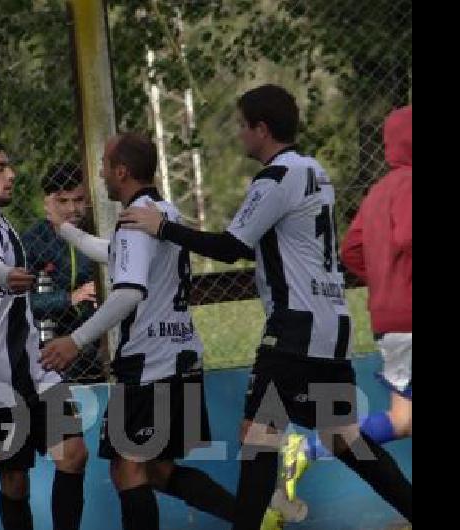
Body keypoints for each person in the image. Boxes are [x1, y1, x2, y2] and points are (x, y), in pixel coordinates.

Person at [116, 84, 412, 529]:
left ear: (262, 129)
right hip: (332, 325)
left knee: (257, 437)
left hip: (294, 331)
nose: (239, 135)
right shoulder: (316, 170)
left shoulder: (276, 177)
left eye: (242, 126)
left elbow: (231, 247)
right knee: (343, 440)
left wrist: (164, 228)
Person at [40, 132, 242, 530]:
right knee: (158, 471)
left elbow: (129, 291)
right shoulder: (164, 213)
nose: (99, 175)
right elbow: (117, 255)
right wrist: (65, 230)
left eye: (103, 167)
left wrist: (75, 340)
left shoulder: (135, 219)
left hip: (151, 364)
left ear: (122, 171)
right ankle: (253, 517)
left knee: (128, 470)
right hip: (180, 355)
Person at [280, 104, 413, 505]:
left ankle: (305, 450)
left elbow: (352, 252)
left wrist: (388, 282)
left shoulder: (378, 192)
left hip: (390, 318)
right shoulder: (411, 185)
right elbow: (408, 236)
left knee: (403, 420)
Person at [0, 139, 88, 530]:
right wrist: (4, 275)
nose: (11, 174)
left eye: (9, 166)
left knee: (74, 453)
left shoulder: (0, 223)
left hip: (34, 368)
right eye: (0, 168)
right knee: (14, 482)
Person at [21, 162, 102, 381]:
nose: (72, 209)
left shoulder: (100, 233)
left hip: (98, 342)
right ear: (47, 202)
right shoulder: (31, 242)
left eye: (78, 200)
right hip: (49, 348)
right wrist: (69, 298)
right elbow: (21, 302)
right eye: (62, 201)